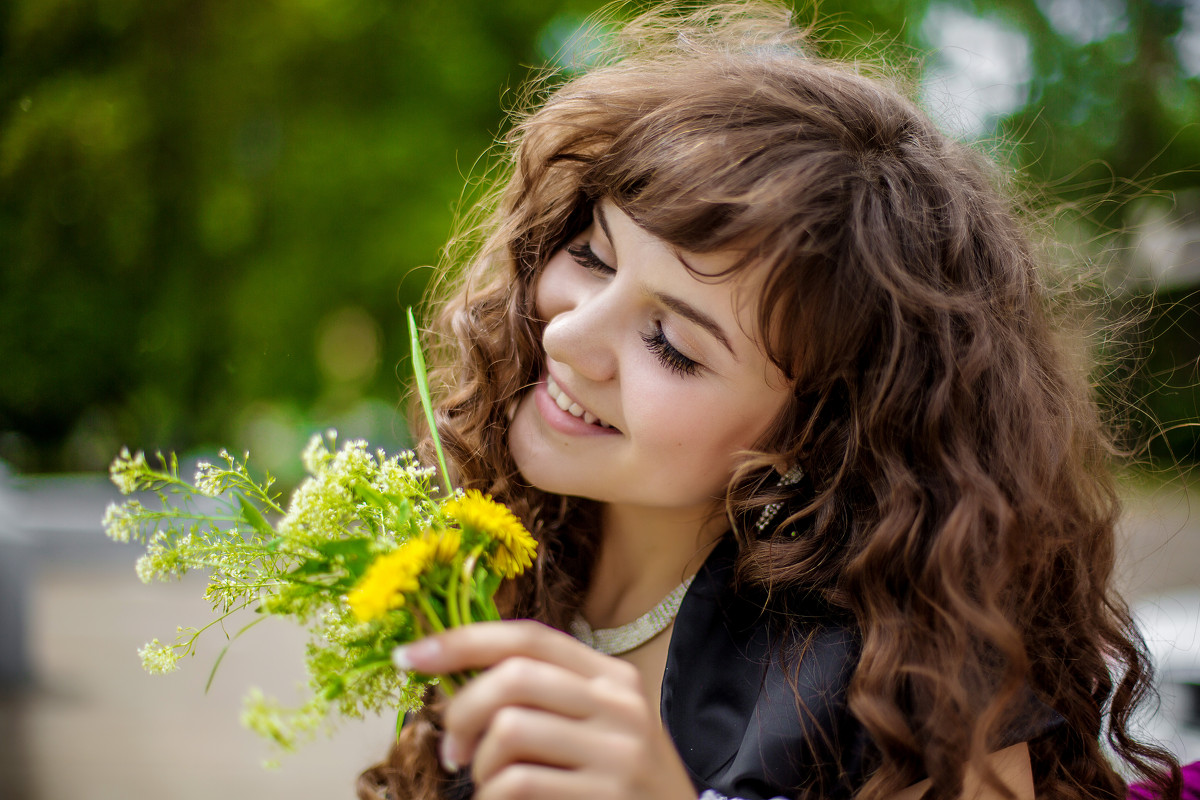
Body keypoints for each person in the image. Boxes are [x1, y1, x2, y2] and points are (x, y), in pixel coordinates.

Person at [358, 3, 1183, 799]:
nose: (569, 338)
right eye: (592, 257)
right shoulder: (486, 569)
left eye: (672, 345)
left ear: (814, 427)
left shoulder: (910, 690)